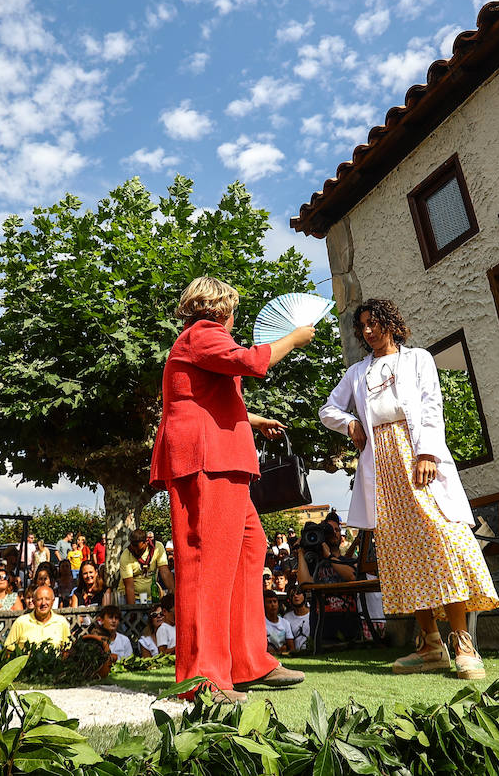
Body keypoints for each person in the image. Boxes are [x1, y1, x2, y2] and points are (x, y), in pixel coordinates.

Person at [149, 276, 314, 702]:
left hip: (220, 458)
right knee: (207, 565)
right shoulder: (204, 335)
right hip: (207, 460)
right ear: (224, 309)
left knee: (248, 546)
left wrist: (253, 419)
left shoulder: (198, 341)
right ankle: (201, 678)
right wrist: (293, 340)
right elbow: (251, 361)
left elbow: (205, 394)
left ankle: (245, 662)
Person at [320, 299, 498, 680]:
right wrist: (350, 423)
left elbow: (432, 405)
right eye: (363, 326)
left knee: (443, 539)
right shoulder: (356, 372)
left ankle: (462, 642)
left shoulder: (418, 359)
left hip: (416, 454)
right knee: (401, 550)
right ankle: (431, 644)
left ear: (391, 323)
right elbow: (327, 410)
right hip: (381, 464)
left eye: (374, 323)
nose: (368, 331)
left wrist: (428, 453)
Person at [4, 585, 70, 651]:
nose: (43, 603)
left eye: (47, 599)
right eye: (39, 599)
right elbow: (8, 650)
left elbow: (67, 651)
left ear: (53, 601)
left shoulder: (61, 622)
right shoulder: (21, 622)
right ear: (34, 601)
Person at [117, 531, 172, 605]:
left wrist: (174, 597)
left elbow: (165, 572)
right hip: (129, 597)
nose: (136, 552)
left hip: (150, 597)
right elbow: (129, 587)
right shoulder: (126, 555)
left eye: (139, 550)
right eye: (134, 549)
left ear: (146, 542)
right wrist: (132, 611)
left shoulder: (158, 547)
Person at [263, 591, 293, 657]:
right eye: (269, 602)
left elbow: (291, 647)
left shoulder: (285, 623)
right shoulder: (261, 623)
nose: (273, 605)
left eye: (275, 601)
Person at [283, 586, 311, 651]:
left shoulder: (313, 614)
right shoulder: (287, 618)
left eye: (298, 593)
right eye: (292, 595)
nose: (295, 596)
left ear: (304, 596)